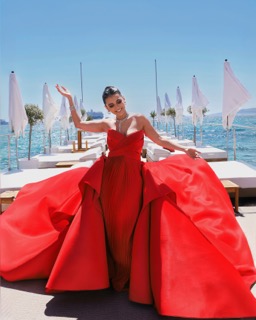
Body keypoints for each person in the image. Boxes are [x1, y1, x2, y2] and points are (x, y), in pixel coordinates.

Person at [0, 85, 256, 319]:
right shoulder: (107, 125)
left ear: (124, 98)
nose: (116, 107)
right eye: (111, 105)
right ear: (107, 107)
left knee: (130, 224)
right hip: (110, 183)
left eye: (118, 101)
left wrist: (183, 149)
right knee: (112, 227)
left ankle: (131, 276)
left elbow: (159, 141)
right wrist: (68, 100)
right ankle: (115, 274)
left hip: (134, 181)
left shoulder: (140, 120)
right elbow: (78, 124)